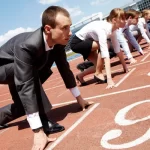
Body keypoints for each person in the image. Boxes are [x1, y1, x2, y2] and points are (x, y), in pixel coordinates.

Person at [0, 6, 93, 150]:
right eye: (64, 28)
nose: (69, 32)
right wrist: (37, 131)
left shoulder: (58, 43)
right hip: (4, 68)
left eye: (70, 27)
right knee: (30, 78)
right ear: (48, 29)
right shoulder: (27, 46)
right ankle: (43, 122)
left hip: (22, 70)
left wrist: (80, 99)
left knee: (21, 107)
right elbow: (26, 84)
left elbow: (64, 68)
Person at [70, 8, 128, 89]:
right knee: (106, 45)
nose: (125, 21)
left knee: (99, 67)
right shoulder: (103, 30)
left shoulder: (113, 31)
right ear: (114, 20)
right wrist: (109, 80)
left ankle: (80, 76)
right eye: (123, 19)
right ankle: (98, 73)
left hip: (88, 41)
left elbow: (117, 49)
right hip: (77, 42)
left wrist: (125, 67)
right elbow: (105, 55)